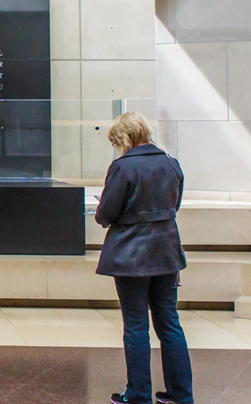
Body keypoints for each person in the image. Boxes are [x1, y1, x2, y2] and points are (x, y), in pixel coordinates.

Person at [95, 112, 193, 404]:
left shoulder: (123, 168)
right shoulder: (171, 164)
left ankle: (138, 395)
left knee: (136, 325)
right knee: (169, 323)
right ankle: (180, 394)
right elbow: (174, 204)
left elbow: (105, 214)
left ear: (125, 138)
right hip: (166, 252)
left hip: (131, 256)